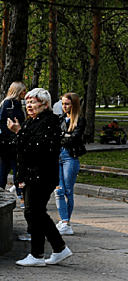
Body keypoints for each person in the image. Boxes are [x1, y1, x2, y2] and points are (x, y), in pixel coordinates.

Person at [0, 88, 72, 267]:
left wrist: (19, 131)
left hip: (43, 174)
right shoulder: (30, 122)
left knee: (33, 212)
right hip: (30, 174)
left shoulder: (50, 121)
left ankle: (38, 254)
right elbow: (16, 146)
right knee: (36, 212)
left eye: (33, 102)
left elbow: (40, 145)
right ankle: (59, 248)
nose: (29, 105)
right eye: (27, 102)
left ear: (44, 104)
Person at [55, 93, 86, 236]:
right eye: (63, 104)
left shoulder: (79, 121)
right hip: (57, 156)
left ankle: (66, 223)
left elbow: (73, 139)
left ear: (74, 104)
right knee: (58, 190)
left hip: (70, 157)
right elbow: (55, 136)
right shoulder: (60, 119)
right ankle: (64, 220)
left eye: (67, 104)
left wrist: (62, 138)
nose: (64, 106)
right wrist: (63, 138)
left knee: (68, 191)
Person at [0, 82, 27, 198]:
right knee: (14, 167)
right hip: (9, 141)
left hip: (13, 139)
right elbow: (1, 122)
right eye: (23, 91)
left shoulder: (16, 103)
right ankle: (19, 194)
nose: (25, 93)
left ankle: (0, 193)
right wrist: (11, 133)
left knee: (6, 167)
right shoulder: (8, 104)